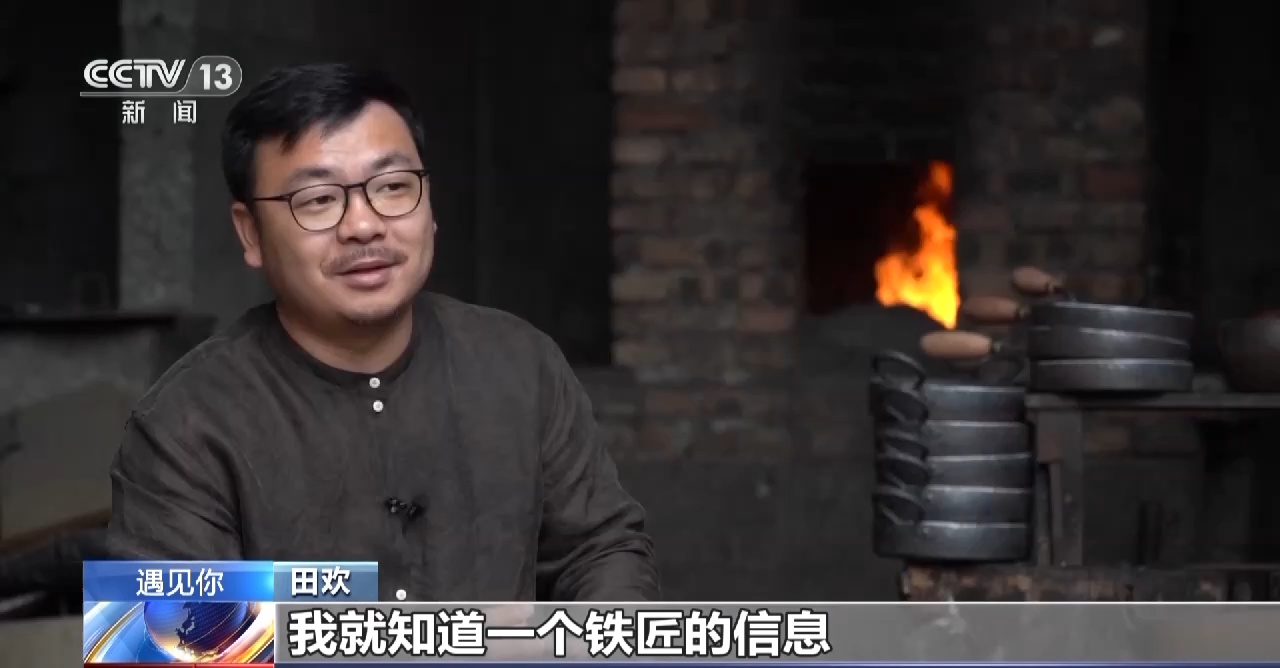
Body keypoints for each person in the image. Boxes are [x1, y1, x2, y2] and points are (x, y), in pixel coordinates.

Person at [105, 63, 660, 601]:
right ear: (251, 233)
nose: (364, 225)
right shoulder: (185, 424)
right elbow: (172, 637)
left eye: (393, 186)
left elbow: (601, 551)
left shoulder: (521, 363)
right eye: (318, 200)